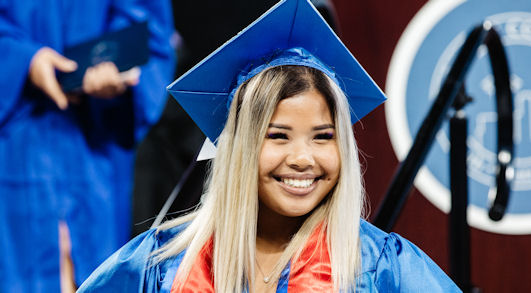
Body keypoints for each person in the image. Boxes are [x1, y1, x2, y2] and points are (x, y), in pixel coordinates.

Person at [78, 0, 460, 291]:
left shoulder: (382, 266)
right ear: (238, 149)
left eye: (323, 136)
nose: (302, 158)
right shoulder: (159, 264)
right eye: (277, 135)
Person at [0, 0, 174, 291]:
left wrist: (114, 58)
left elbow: (145, 22)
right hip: (16, 134)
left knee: (95, 268)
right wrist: (22, 60)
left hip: (92, 136)